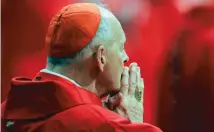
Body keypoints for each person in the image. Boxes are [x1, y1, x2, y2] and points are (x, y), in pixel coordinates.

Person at [1, 3, 162, 132]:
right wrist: (130, 125)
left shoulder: (5, 112)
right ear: (101, 57)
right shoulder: (106, 126)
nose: (125, 57)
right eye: (120, 48)